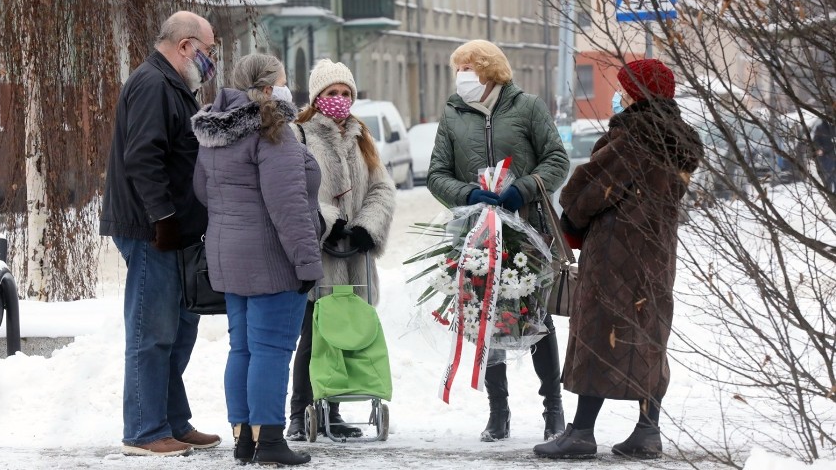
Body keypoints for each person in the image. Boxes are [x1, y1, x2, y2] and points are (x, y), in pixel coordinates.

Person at [535, 59, 703, 460]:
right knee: (648, 333)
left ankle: (581, 432)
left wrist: (571, 216)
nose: (620, 96)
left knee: (598, 333)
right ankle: (647, 432)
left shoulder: (632, 138)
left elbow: (587, 192)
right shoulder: (676, 142)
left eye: (626, 88)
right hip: (657, 253)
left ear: (637, 94)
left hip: (615, 252)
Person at [427, 39, 571, 442]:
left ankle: (553, 409)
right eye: (460, 68)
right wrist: (468, 195)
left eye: (469, 67)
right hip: (475, 232)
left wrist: (523, 188)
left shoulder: (527, 107)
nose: (462, 76)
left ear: (490, 71)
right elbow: (436, 173)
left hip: (526, 230)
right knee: (483, 316)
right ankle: (498, 412)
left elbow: (557, 159)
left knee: (535, 318)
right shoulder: (454, 113)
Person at [100, 11, 221, 456]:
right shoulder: (153, 84)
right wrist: (165, 219)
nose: (211, 61)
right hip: (153, 230)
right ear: (186, 46)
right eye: (209, 51)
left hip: (175, 231)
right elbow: (143, 158)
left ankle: (172, 420)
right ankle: (145, 431)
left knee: (180, 328)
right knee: (152, 332)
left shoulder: (174, 86)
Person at [192, 53, 321, 466]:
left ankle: (244, 439)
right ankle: (269, 441)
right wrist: (307, 264)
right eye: (283, 81)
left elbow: (201, 191)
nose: (289, 88)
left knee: (243, 348)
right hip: (272, 258)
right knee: (272, 349)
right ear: (268, 89)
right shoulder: (273, 132)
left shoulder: (216, 131)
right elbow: (290, 207)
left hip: (228, 255)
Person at [286, 59, 397, 441]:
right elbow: (295, 192)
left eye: (346, 93)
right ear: (318, 97)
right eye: (332, 93)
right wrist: (327, 222)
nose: (340, 99)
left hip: (356, 258)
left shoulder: (361, 134)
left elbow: (382, 187)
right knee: (314, 335)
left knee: (349, 335)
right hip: (319, 255)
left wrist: (367, 227)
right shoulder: (299, 135)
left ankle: (332, 408)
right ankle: (300, 412)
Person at [814, 118, 836, 193]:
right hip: (826, 158)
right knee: (829, 178)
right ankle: (831, 197)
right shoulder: (820, 128)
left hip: (831, 156)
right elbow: (816, 142)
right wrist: (821, 149)